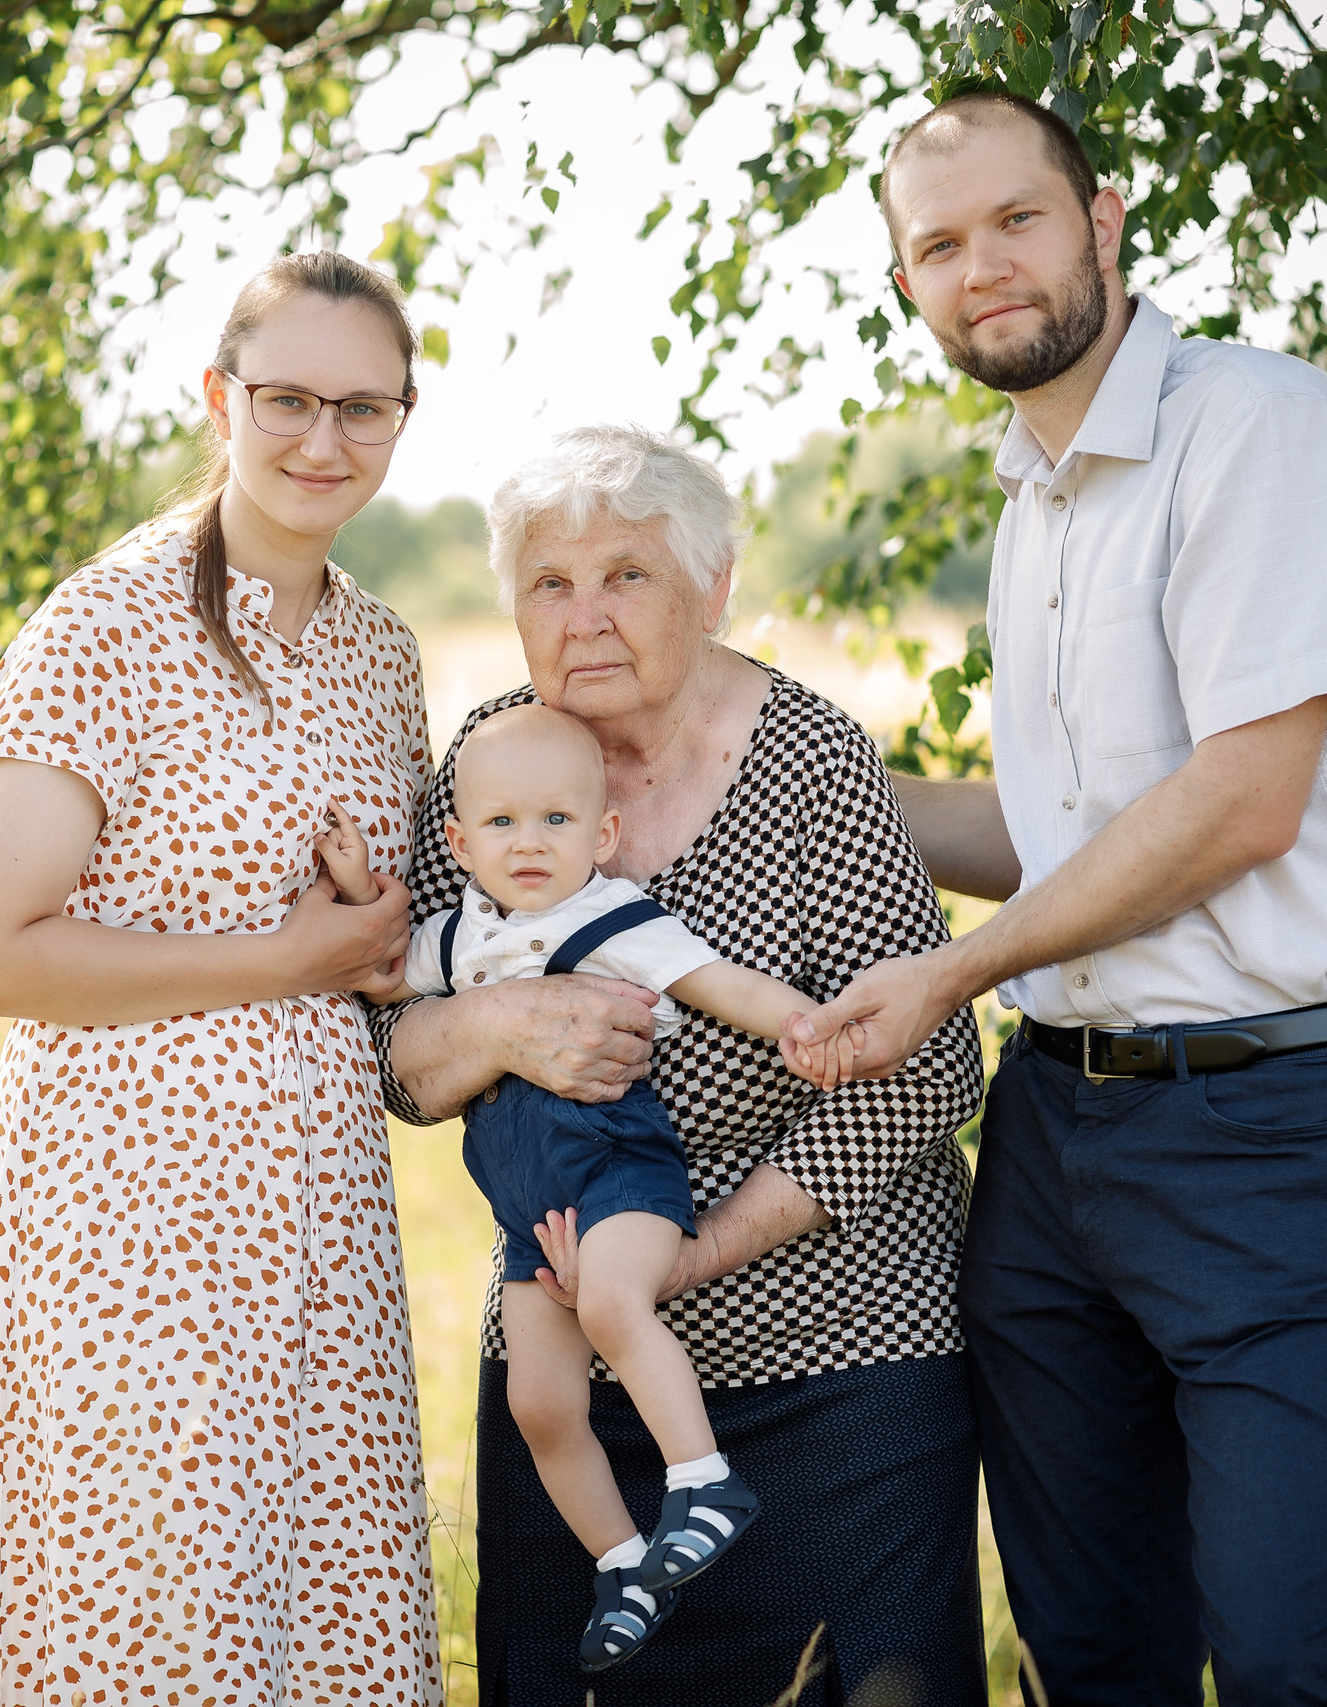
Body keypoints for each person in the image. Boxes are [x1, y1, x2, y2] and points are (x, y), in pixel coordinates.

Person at [790, 92, 1327, 1705]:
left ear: (1104, 218)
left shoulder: (1259, 429)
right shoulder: (1036, 497)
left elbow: (1241, 801)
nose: (983, 267)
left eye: (1016, 219)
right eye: (938, 245)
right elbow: (1066, 833)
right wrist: (764, 772)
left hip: (1271, 1131)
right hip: (1054, 1143)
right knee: (1091, 1653)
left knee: (1286, 1655)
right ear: (907, 291)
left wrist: (952, 976)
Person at [369, 424, 989, 1704]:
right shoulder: (495, 763)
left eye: (628, 577)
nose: (585, 617)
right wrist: (498, 1027)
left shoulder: (812, 761)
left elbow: (926, 1074)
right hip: (569, 1351)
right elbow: (398, 1055)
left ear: (711, 592)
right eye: (551, 582)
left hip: (840, 1349)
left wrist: (692, 1256)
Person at [0, 252, 444, 1705]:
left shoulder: (380, 652)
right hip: (131, 1225)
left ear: (404, 419)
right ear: (221, 398)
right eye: (285, 398)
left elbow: (374, 949)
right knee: (157, 1616)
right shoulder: (104, 627)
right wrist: (288, 953)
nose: (320, 439)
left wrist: (379, 936)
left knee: (318, 1608)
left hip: (321, 1220)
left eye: (364, 407)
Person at [319, 707, 854, 1672]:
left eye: (559, 821)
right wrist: (360, 887)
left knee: (612, 1302)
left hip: (621, 1174)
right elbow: (388, 975)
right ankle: (626, 1561)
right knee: (540, 1401)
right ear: (460, 843)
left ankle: (703, 1481)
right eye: (504, 824)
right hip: (532, 1214)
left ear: (602, 836)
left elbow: (714, 979)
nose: (530, 844)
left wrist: (804, 1023)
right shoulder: (461, 936)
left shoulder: (611, 915)